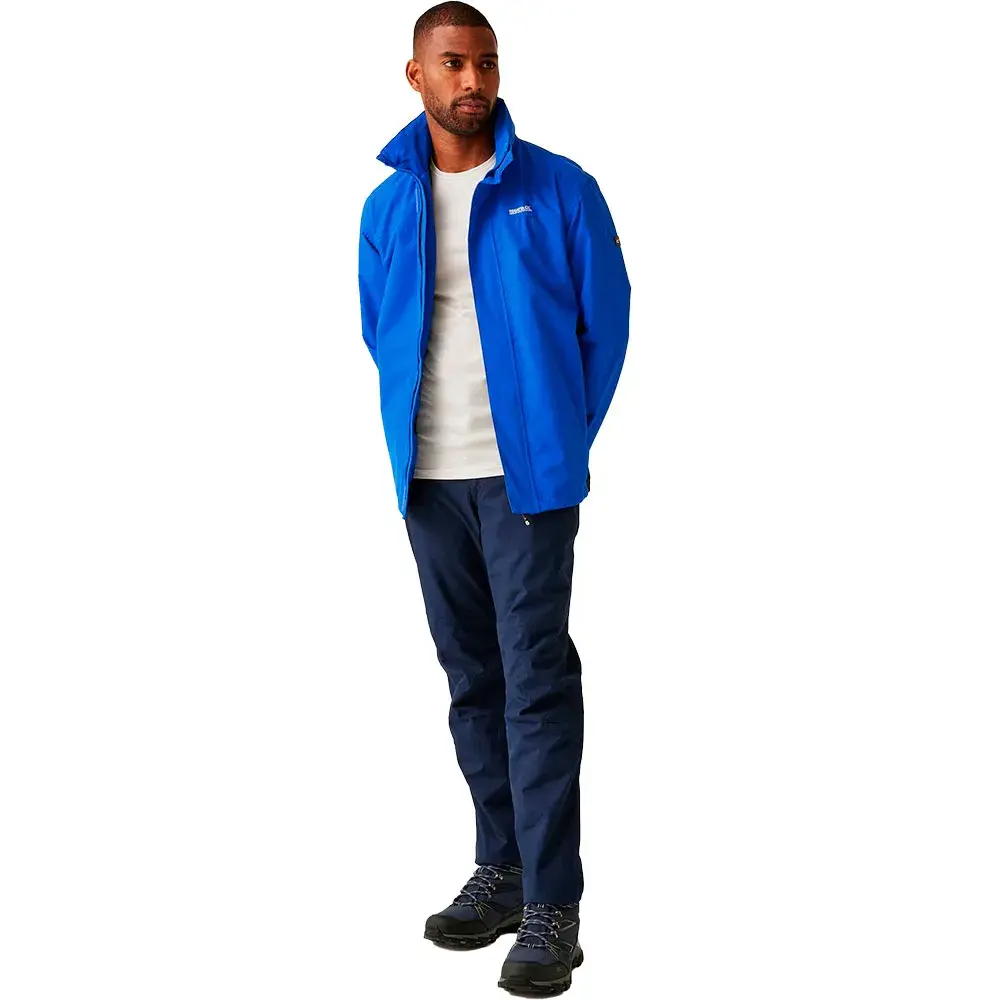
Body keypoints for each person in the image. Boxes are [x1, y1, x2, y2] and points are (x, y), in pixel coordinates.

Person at [357, 3, 629, 994]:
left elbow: (608, 325)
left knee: (535, 682)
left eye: (486, 62)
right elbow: (378, 329)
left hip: (527, 486)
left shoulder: (559, 189)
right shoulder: (386, 206)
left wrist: (558, 440)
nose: (473, 79)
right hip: (428, 482)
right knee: (472, 680)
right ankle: (502, 868)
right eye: (453, 63)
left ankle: (554, 902)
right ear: (416, 76)